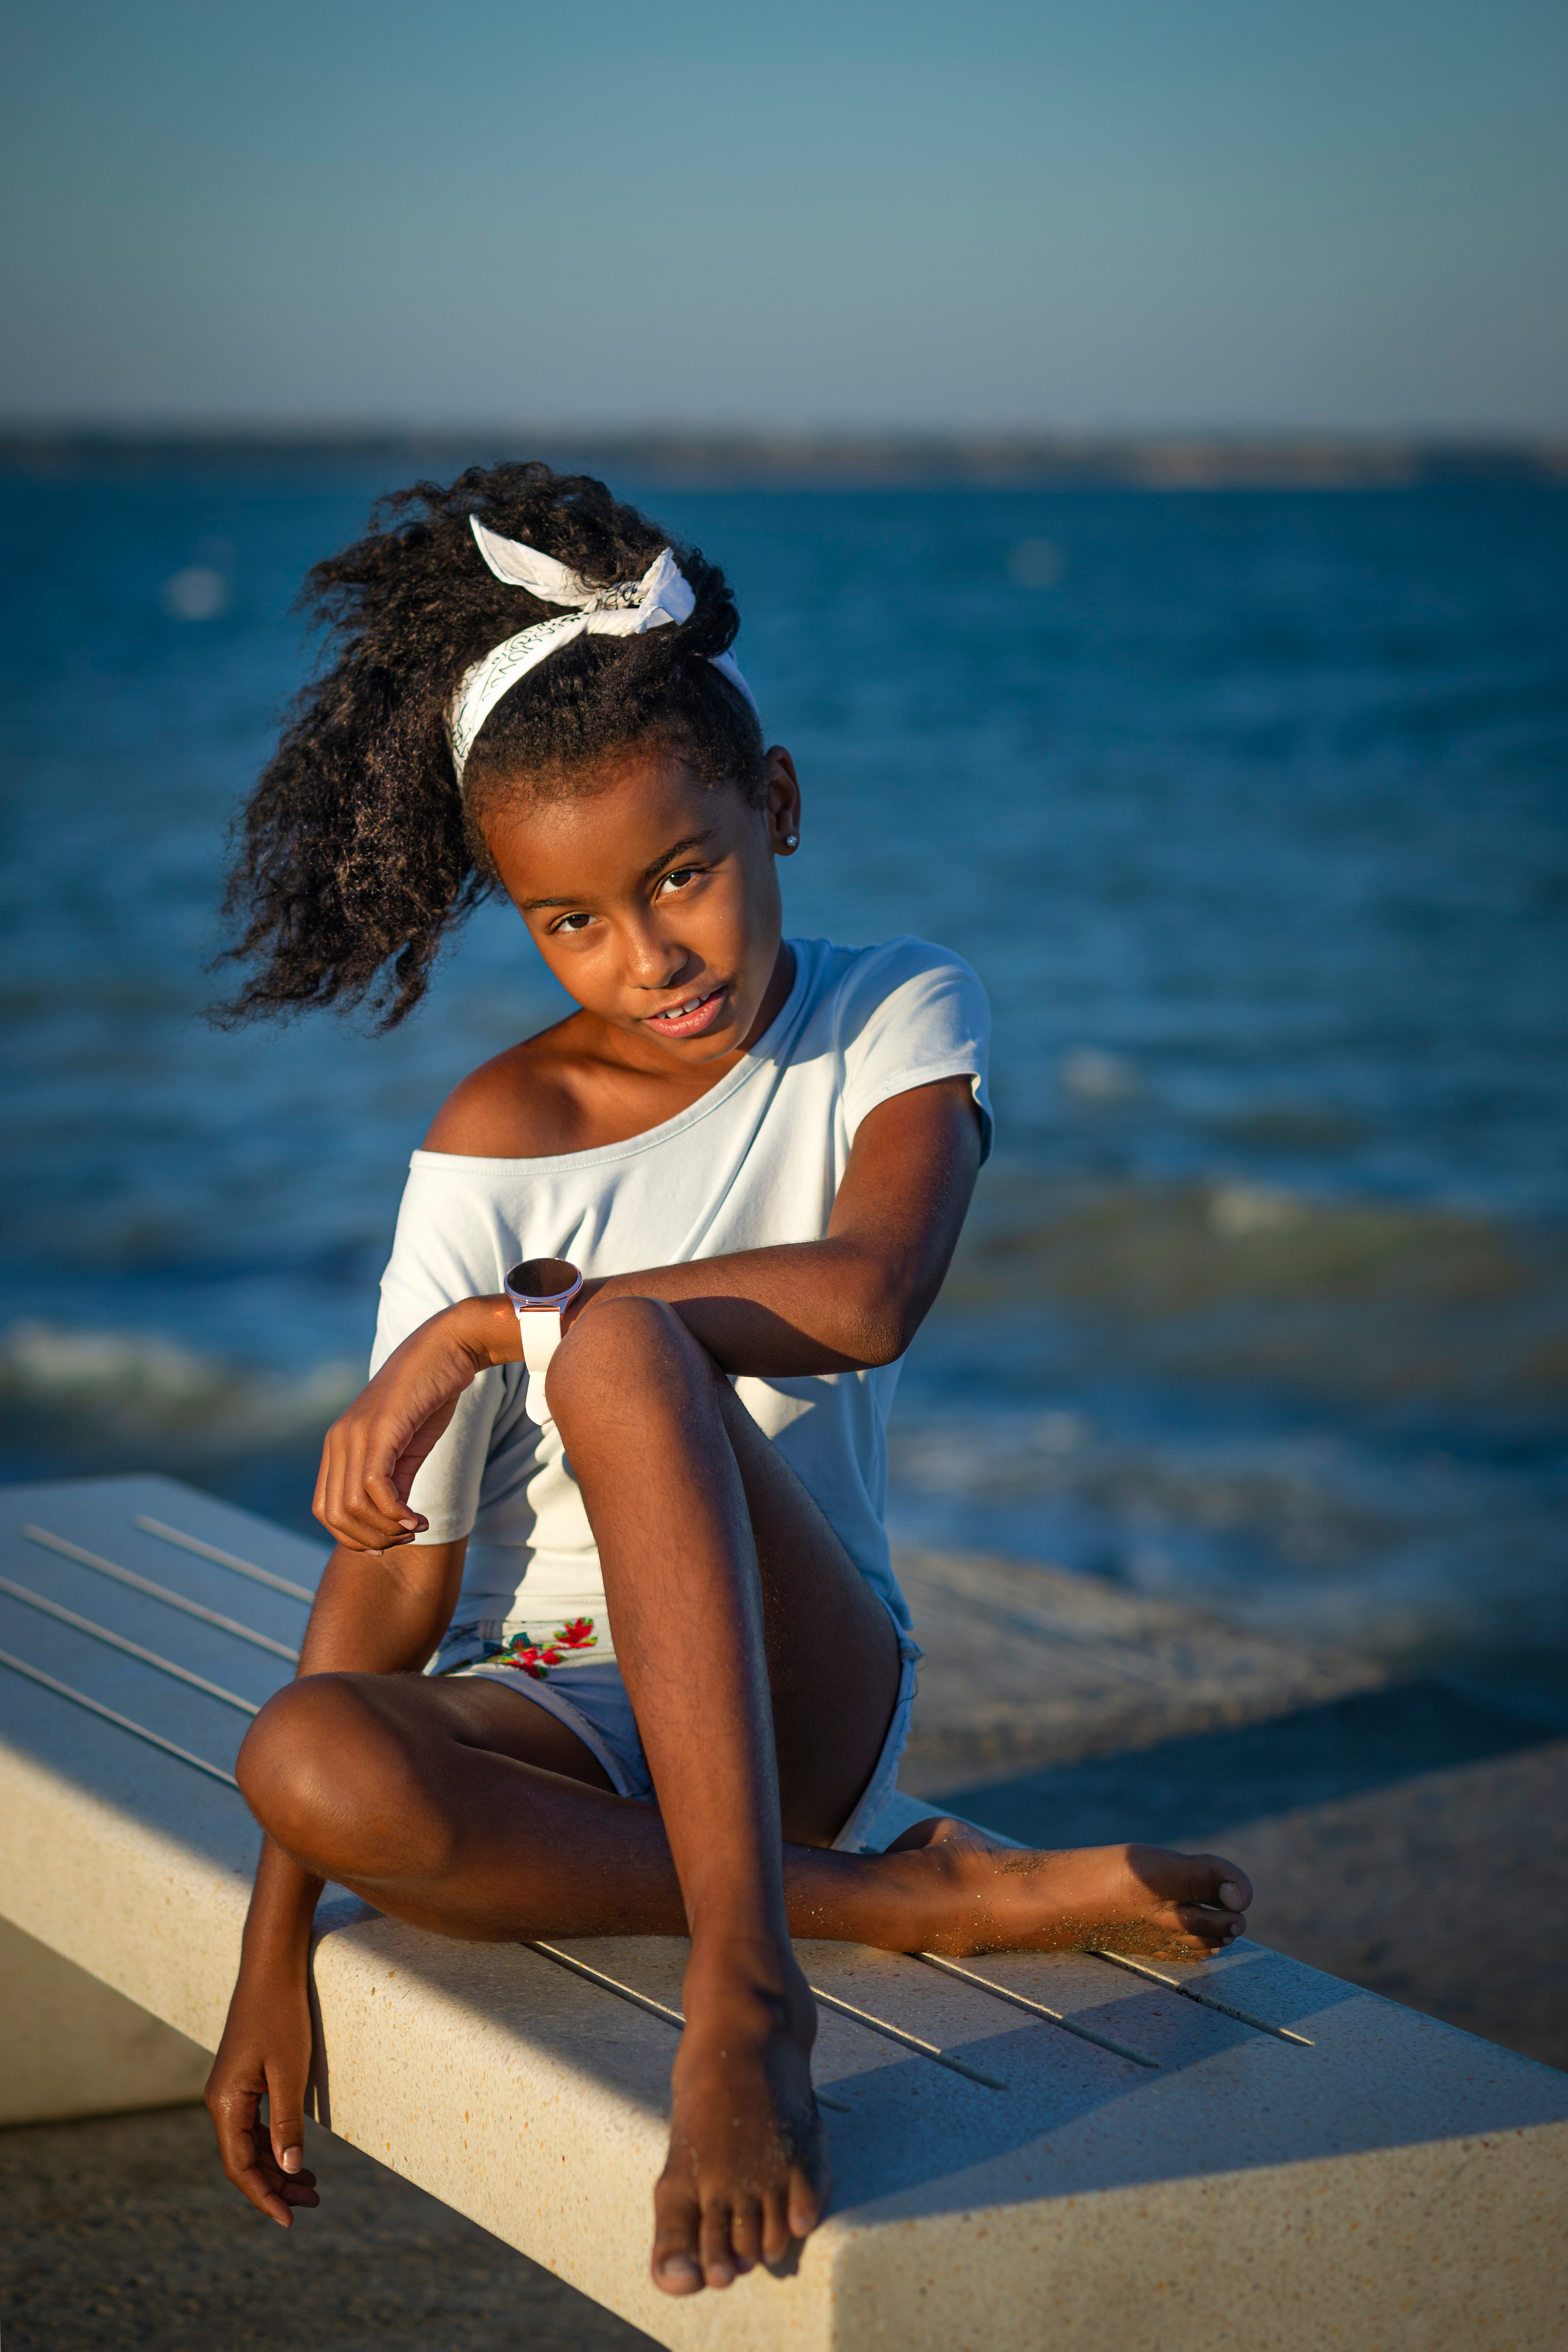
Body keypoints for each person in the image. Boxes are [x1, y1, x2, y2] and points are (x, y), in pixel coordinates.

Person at [205, 461, 1253, 2297]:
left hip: (798, 1674)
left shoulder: (896, 1013)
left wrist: (486, 1335)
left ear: (775, 806)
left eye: (683, 875)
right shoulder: (492, 1137)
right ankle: (916, 1900)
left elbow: (865, 1301)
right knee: (298, 1754)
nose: (649, 956)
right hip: (545, 1704)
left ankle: (750, 2006)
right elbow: (399, 1568)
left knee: (614, 1340)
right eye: (571, 921)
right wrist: (265, 1959)